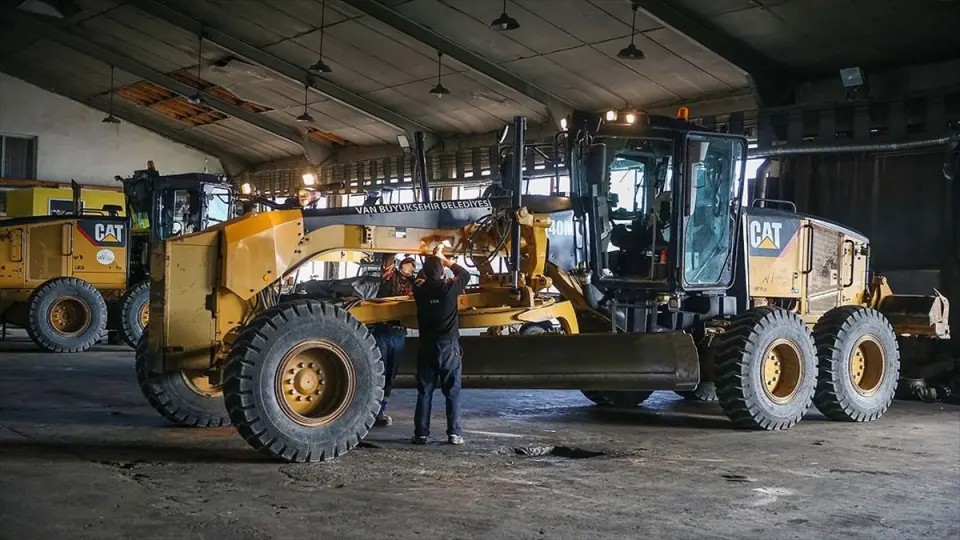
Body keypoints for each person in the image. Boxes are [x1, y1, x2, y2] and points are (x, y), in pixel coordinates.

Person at [411, 247, 471, 445]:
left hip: (426, 347)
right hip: (448, 348)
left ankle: (421, 434)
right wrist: (444, 259)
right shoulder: (449, 288)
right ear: (443, 272)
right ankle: (454, 434)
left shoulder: (419, 290)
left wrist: (430, 261)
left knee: (424, 392)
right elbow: (465, 274)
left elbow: (419, 279)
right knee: (452, 392)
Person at [370, 254, 416, 427]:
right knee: (378, 372)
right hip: (383, 331)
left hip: (399, 333)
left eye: (411, 266)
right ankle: (370, 410)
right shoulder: (390, 277)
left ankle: (380, 410)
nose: (408, 268)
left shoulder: (415, 284)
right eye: (406, 265)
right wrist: (398, 245)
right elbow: (388, 261)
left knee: (390, 375)